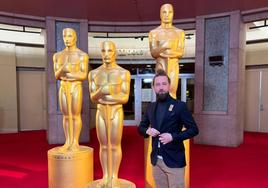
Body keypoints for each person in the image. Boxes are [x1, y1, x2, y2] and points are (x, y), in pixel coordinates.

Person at [138, 70, 198, 188]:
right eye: (158, 84)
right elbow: (141, 127)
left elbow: (194, 129)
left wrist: (173, 136)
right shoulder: (151, 107)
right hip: (156, 161)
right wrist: (147, 130)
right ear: (154, 87)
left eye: (164, 84)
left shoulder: (180, 106)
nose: (161, 88)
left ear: (169, 86)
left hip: (174, 161)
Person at [88, 41, 131, 187]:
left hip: (116, 111)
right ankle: (106, 176)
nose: (106, 54)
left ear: (115, 52)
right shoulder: (93, 73)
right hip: (101, 111)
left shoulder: (123, 73)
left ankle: (114, 177)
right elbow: (93, 97)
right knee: (104, 145)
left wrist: (108, 96)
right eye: (103, 51)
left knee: (114, 145)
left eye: (110, 51)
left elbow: (124, 98)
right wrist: (102, 91)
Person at [53, 28, 89, 152]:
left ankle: (75, 142)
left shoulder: (82, 55)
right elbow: (56, 75)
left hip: (75, 87)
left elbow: (83, 75)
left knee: (75, 115)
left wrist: (68, 73)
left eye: (69, 36)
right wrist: (64, 68)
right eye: (64, 36)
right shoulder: (58, 55)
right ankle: (67, 141)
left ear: (75, 38)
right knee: (66, 116)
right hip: (63, 86)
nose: (67, 39)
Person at [149, 3, 185, 99]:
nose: (167, 15)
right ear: (160, 14)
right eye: (164, 12)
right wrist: (166, 46)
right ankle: (160, 113)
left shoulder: (179, 32)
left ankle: (172, 113)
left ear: (173, 14)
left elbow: (180, 53)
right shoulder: (154, 33)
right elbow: (153, 53)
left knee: (172, 91)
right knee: (160, 92)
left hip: (174, 65)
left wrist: (162, 51)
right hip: (160, 64)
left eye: (170, 12)